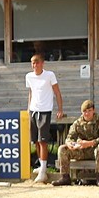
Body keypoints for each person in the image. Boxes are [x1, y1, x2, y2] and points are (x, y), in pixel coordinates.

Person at [53, 100, 99, 186]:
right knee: (62, 148)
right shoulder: (78, 123)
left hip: (96, 150)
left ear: (93, 110)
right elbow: (69, 137)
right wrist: (71, 144)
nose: (87, 114)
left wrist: (90, 143)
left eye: (89, 111)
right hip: (82, 151)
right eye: (85, 111)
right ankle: (65, 177)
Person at [25, 54, 63, 183]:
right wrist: (28, 109)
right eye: (33, 63)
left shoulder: (49, 75)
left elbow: (57, 92)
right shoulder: (29, 76)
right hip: (33, 110)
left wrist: (60, 109)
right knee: (35, 140)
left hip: (45, 110)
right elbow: (31, 93)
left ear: (42, 63)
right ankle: (41, 166)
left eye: (37, 63)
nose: (35, 65)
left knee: (43, 141)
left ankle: (43, 170)